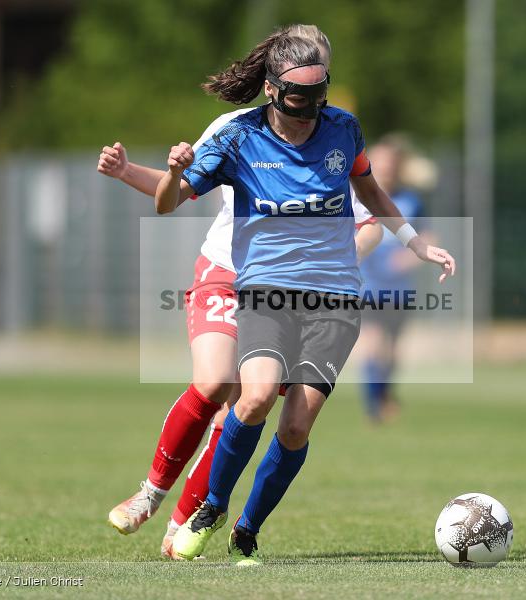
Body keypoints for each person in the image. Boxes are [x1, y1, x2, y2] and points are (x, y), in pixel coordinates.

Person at [158, 30, 455, 565]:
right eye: (298, 102)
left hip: (334, 300)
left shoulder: (343, 128)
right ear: (271, 90)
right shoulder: (238, 136)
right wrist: (175, 171)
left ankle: (246, 531)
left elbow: (369, 193)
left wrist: (414, 242)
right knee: (251, 398)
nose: (308, 113)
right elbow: (168, 202)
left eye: (317, 100)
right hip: (266, 292)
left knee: (295, 425)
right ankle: (211, 507)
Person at [96, 25, 383, 559]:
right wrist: (126, 171)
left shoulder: (336, 135)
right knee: (212, 382)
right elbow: (179, 187)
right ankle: (150, 493)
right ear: (275, 77)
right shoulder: (236, 127)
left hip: (297, 294)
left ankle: (185, 522)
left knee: (242, 410)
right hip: (228, 269)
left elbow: (367, 221)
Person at [358, 135, 428, 423]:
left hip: (399, 287)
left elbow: (427, 235)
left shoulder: (411, 201)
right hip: (367, 285)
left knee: (394, 351)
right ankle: (374, 405)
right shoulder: (359, 196)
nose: (386, 167)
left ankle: (384, 394)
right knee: (373, 344)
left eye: (391, 162)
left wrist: (409, 257)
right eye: (382, 161)